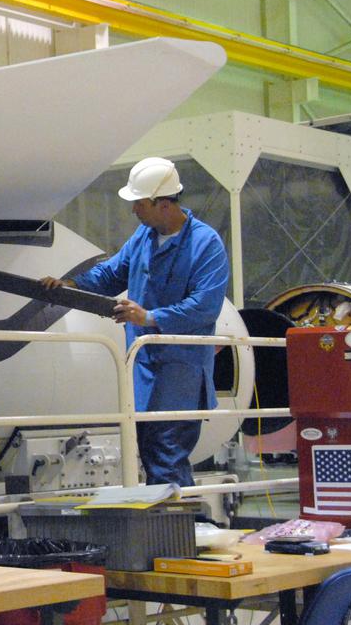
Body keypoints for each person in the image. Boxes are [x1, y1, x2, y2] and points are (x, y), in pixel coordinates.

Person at [41, 157, 228, 486]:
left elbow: (205, 307)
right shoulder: (143, 237)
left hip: (180, 372)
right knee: (151, 450)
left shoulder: (205, 243)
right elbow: (111, 274)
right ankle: (176, 527)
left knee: (167, 451)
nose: (134, 211)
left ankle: (177, 529)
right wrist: (69, 285)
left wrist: (150, 317)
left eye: (139, 203)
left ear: (164, 204)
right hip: (143, 368)